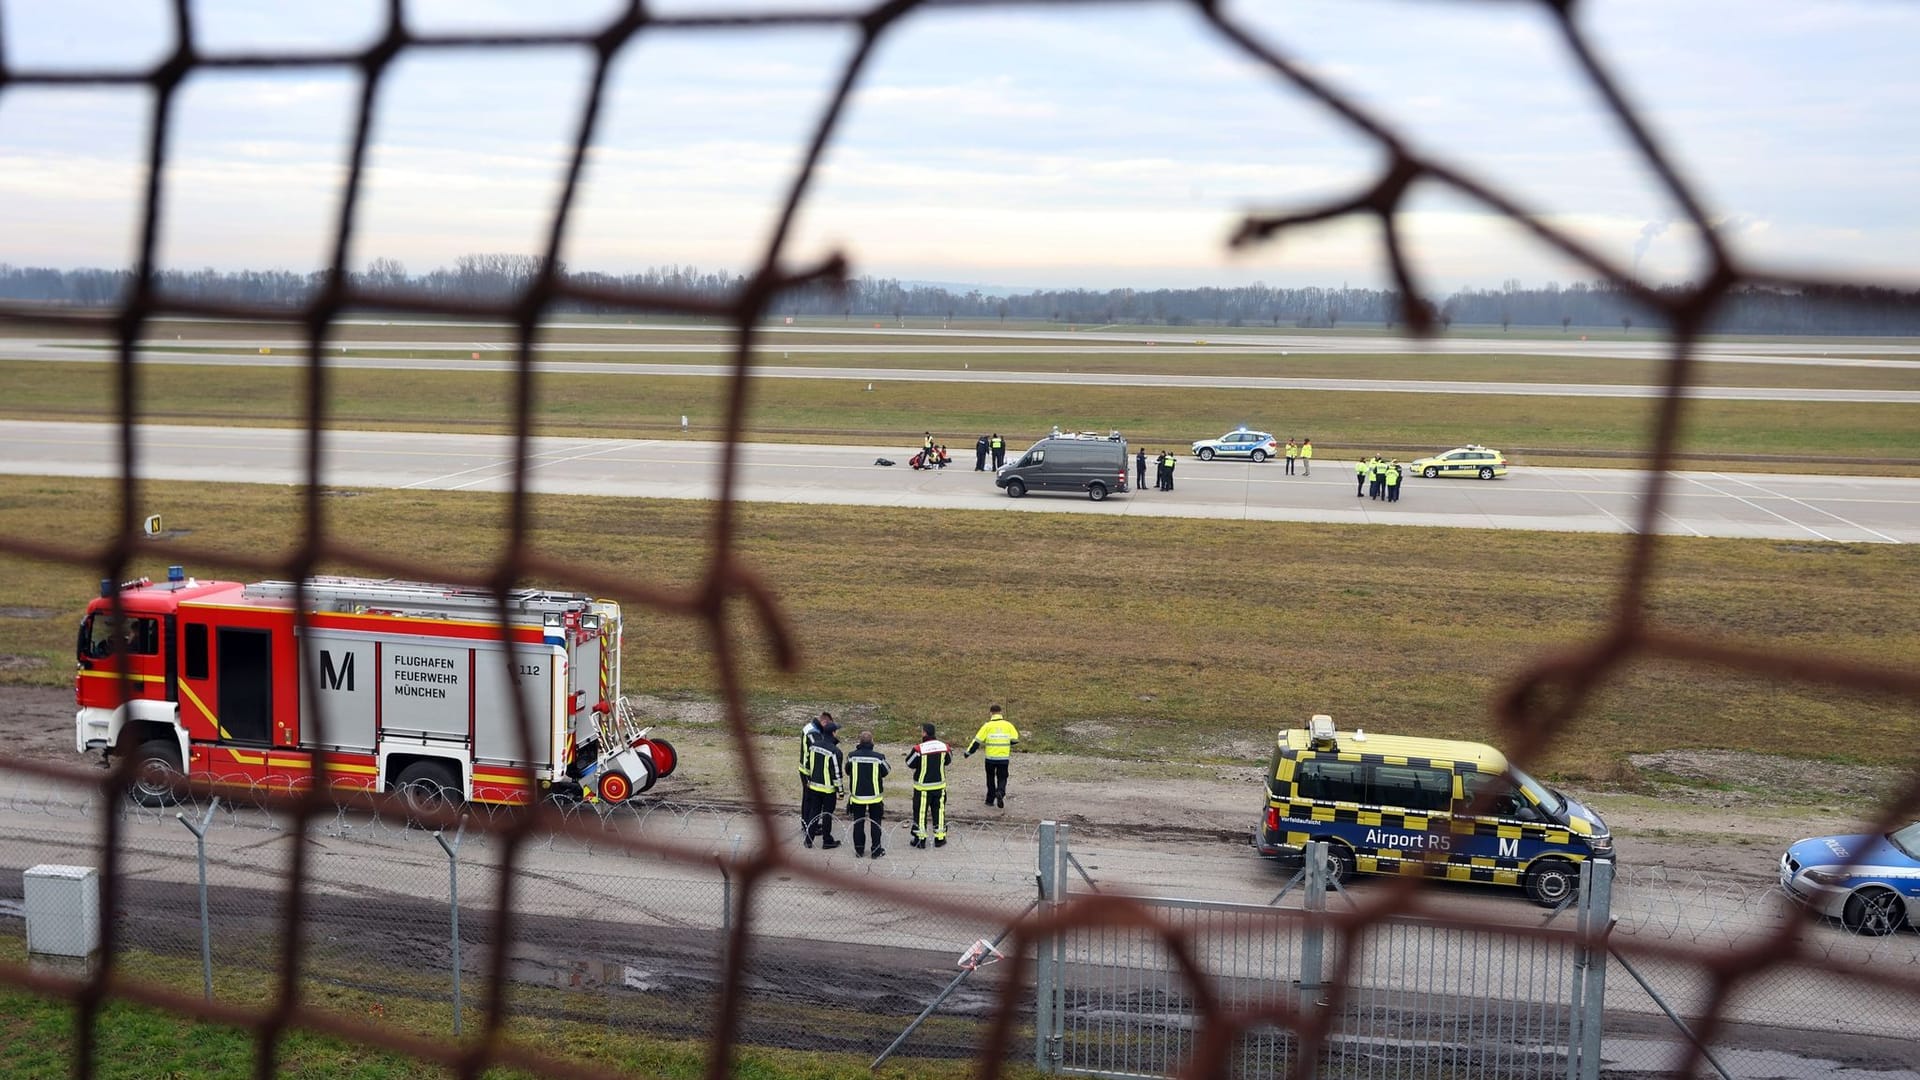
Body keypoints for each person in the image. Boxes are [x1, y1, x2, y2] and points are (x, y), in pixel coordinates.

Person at [905, 722, 951, 848]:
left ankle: (920, 840)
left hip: (923, 787)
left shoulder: (919, 749)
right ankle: (940, 838)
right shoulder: (944, 746)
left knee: (920, 813)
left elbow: (909, 763)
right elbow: (948, 761)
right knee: (939, 812)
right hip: (939, 786)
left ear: (924, 733)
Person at [800, 715, 843, 849]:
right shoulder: (835, 751)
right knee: (827, 815)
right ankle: (827, 840)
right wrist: (840, 791)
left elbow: (807, 763)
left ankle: (809, 839)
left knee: (814, 812)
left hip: (814, 786)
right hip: (828, 789)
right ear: (833, 733)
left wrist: (807, 779)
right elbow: (836, 773)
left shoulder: (814, 746)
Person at [965, 704, 1020, 808]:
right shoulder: (1008, 725)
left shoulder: (987, 726)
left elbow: (977, 741)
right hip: (1003, 758)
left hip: (990, 758)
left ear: (991, 713)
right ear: (1001, 712)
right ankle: (1000, 792)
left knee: (990, 778)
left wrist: (968, 753)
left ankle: (990, 800)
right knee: (1002, 777)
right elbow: (1015, 740)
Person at [845, 730, 889, 858]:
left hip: (857, 797)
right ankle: (876, 850)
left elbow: (847, 770)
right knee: (876, 823)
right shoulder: (879, 757)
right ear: (872, 741)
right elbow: (886, 771)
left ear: (859, 742)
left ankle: (859, 850)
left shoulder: (852, 756)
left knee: (858, 823)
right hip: (875, 797)